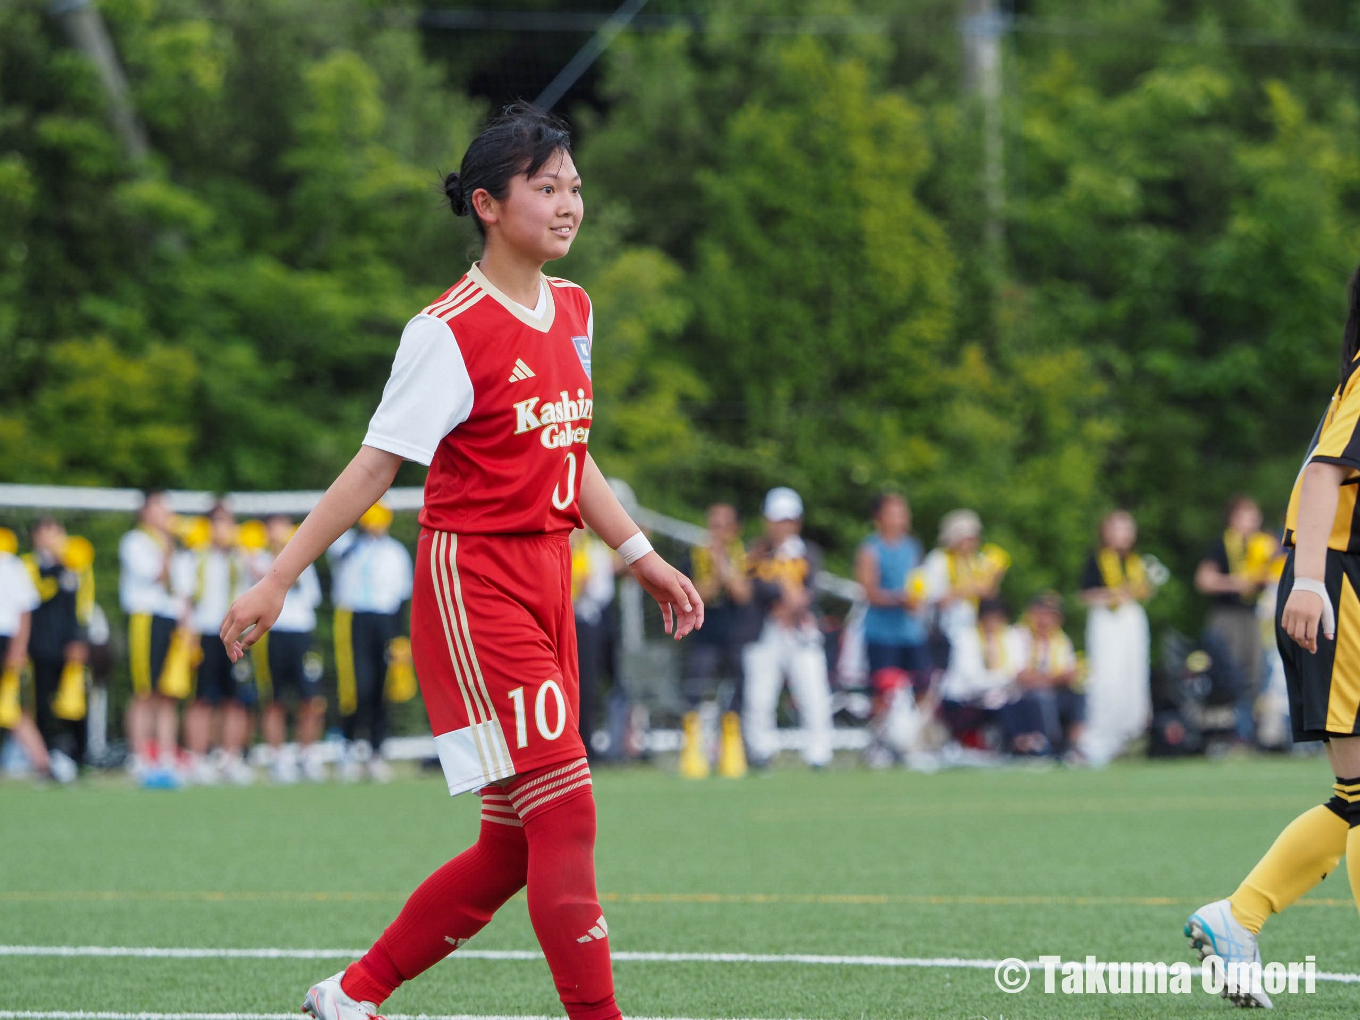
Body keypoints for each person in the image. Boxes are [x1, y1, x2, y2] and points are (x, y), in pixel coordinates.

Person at [219, 104, 702, 1020]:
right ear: (487, 203)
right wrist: (278, 575)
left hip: (548, 578)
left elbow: (571, 448)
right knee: (568, 814)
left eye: (576, 189)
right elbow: (375, 464)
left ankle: (352, 995)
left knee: (514, 848)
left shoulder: (575, 307)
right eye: (547, 188)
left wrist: (636, 552)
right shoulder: (445, 330)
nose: (569, 206)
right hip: (472, 583)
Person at [1185, 266, 1360, 1009]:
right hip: (1339, 584)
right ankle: (1239, 916)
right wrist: (1314, 581)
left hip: (1345, 580)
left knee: (1355, 799)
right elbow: (1324, 478)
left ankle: (1239, 916)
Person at [741, 486, 833, 770]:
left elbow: (811, 590)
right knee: (759, 694)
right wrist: (780, 597)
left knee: (813, 691)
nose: (784, 527)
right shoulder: (755, 552)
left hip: (800, 630)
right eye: (778, 520)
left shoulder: (808, 553)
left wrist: (792, 603)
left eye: (789, 520)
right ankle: (761, 751)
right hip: (764, 630)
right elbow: (750, 587)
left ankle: (819, 753)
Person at [327, 501, 413, 782]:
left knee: (381, 688)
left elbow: (401, 596)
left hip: (384, 620)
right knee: (356, 687)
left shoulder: (395, 552)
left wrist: (399, 637)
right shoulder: (348, 545)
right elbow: (336, 554)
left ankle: (377, 752)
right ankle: (348, 747)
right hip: (354, 619)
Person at [175, 502, 255, 785]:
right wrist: (188, 635)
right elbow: (184, 599)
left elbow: (260, 578)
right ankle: (197, 757)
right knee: (202, 699)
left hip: (234, 633)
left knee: (236, 700)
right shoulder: (194, 557)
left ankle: (230, 757)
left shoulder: (241, 556)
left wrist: (243, 552)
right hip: (206, 632)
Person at [677, 502, 751, 779]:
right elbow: (697, 595)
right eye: (713, 525)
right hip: (703, 634)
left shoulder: (743, 555)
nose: (717, 532)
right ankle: (693, 749)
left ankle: (732, 748)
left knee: (737, 686)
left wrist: (723, 566)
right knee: (697, 685)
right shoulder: (694, 556)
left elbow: (742, 594)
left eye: (723, 525)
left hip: (733, 634)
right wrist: (718, 574)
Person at [251, 514, 326, 783]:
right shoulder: (257, 560)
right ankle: (277, 758)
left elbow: (312, 597)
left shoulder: (304, 559)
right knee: (275, 699)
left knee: (312, 699)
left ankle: (307, 755)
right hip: (273, 635)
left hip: (301, 634)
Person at [1195, 495, 1276, 743]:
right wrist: (1234, 582)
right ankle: (1227, 733)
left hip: (1252, 615)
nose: (1250, 521)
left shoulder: (1264, 545)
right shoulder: (1222, 545)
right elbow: (1204, 580)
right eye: (1244, 515)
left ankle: (1250, 733)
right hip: (1227, 615)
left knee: (1255, 673)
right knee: (1228, 672)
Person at [119, 491, 187, 780]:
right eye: (160, 508)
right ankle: (139, 755)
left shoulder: (176, 546)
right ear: (146, 512)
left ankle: (167, 755)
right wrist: (169, 549)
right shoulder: (135, 541)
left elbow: (183, 590)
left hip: (171, 618)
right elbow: (156, 576)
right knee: (144, 690)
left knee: (167, 692)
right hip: (146, 618)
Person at [1078, 510, 1153, 765]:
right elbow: (1085, 595)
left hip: (1130, 623)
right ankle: (1099, 740)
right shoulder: (1097, 560)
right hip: (1108, 621)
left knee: (1132, 677)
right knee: (1108, 678)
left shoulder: (1136, 562)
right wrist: (1115, 594)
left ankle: (1130, 735)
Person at [0, 530, 73, 782]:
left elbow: (25, 608)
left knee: (11, 705)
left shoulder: (11, 565)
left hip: (5, 639)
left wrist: (18, 648)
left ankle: (44, 762)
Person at [22, 517, 93, 769]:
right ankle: (46, 758)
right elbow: (35, 594)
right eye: (47, 532)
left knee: (75, 701)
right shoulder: (30, 565)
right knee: (42, 702)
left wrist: (80, 638)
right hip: (40, 646)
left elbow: (83, 605)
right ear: (36, 537)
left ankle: (81, 756)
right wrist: (56, 567)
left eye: (57, 531)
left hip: (69, 645)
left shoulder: (76, 565)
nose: (54, 538)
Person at [912, 509, 1010, 668]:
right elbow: (933, 598)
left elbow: (989, 595)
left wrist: (994, 578)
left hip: (971, 629)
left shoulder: (975, 561)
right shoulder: (939, 560)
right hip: (944, 630)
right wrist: (967, 589)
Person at [854, 492, 929, 687]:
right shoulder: (870, 549)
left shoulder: (913, 547)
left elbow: (918, 581)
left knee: (922, 684)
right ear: (879, 518)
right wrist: (898, 599)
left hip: (911, 632)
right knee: (885, 687)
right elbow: (869, 592)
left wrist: (917, 600)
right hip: (882, 634)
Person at [1002, 593, 1084, 758]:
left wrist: (1050, 679)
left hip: (1052, 691)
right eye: (1041, 614)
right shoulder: (1017, 636)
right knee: (1042, 697)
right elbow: (1021, 676)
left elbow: (1071, 674)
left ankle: (1075, 745)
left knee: (1079, 695)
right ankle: (1050, 746)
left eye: (1051, 615)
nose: (1045, 620)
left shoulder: (1061, 640)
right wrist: (1054, 679)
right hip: (1019, 696)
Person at [937, 597, 1022, 751]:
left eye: (999, 619)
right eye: (991, 619)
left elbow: (1018, 669)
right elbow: (972, 679)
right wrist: (1006, 679)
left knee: (1027, 701)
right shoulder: (966, 638)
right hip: (963, 698)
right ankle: (1015, 745)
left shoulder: (1009, 638)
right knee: (1004, 705)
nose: (994, 624)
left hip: (996, 694)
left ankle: (1033, 744)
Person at [571, 528, 617, 761]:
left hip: (583, 623)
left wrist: (582, 590)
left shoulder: (594, 551)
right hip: (554, 621)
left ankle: (584, 744)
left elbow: (602, 593)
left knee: (585, 686)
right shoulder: (552, 547)